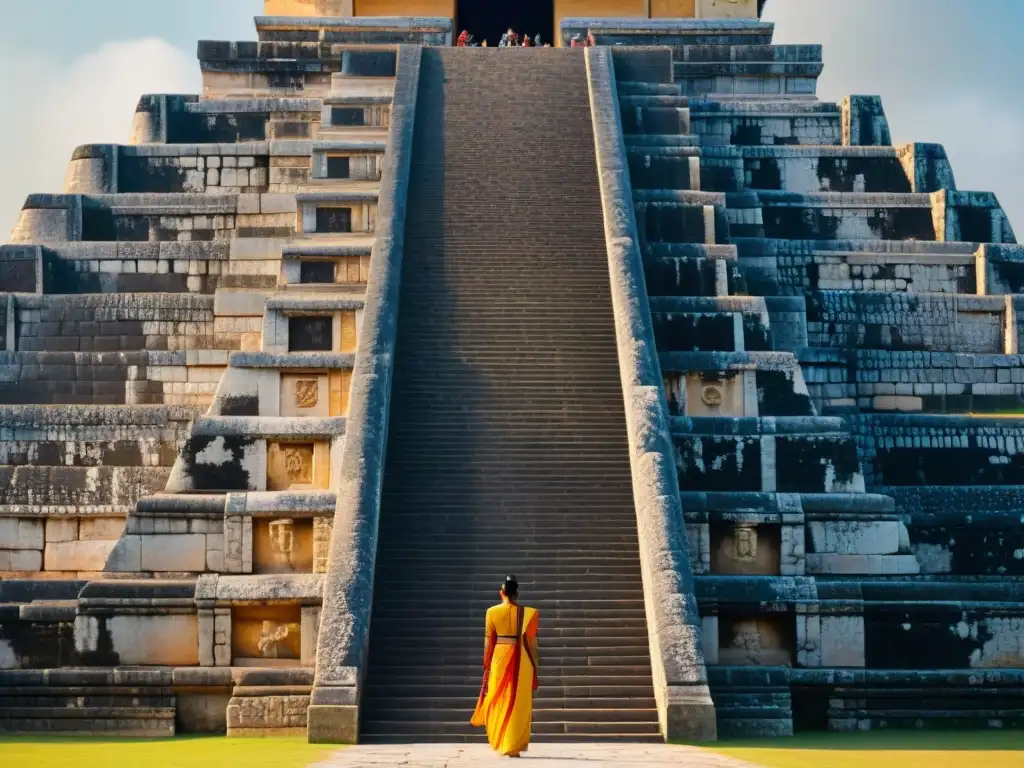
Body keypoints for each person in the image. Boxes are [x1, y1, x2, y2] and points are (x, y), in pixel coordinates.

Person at [470, 575, 539, 758]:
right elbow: (533, 644)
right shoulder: (530, 613)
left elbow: (488, 642)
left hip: (499, 656)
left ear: (501, 592)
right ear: (517, 593)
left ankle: (501, 740)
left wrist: (487, 664)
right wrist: (535, 668)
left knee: (498, 697)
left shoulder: (491, 612)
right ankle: (513, 745)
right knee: (518, 702)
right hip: (522, 659)